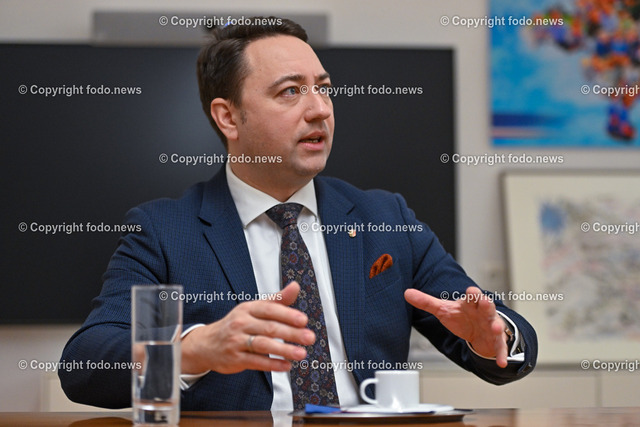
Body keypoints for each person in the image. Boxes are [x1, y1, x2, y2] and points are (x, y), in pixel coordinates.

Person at [59, 16, 537, 411]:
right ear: (229, 117)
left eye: (323, 89)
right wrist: (195, 350)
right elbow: (85, 366)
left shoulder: (384, 216)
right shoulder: (165, 232)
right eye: (290, 91)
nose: (319, 110)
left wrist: (492, 337)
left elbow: (499, 331)